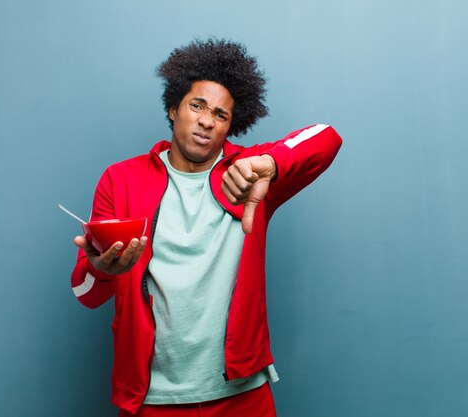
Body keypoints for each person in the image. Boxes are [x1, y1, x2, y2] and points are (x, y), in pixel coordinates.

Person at [69, 38, 342, 416]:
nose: (206, 120)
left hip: (242, 394)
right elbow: (85, 293)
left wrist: (272, 162)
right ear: (173, 108)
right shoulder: (121, 179)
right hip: (153, 398)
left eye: (220, 114)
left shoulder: (248, 174)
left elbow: (326, 137)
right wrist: (100, 270)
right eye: (197, 105)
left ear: (231, 125)